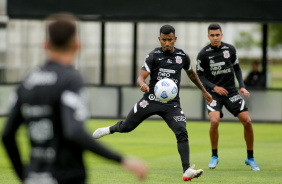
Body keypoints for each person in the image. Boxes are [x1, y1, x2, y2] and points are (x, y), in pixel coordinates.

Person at [1, 13, 147, 184]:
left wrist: (24, 175)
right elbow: (74, 131)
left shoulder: (28, 81)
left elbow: (7, 135)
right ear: (77, 45)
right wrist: (122, 160)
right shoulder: (71, 79)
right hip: (66, 176)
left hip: (35, 177)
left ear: (46, 45)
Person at [92, 24, 213, 181]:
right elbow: (140, 77)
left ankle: (186, 170)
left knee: (181, 131)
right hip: (150, 100)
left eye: (170, 40)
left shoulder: (182, 56)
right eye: (164, 40)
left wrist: (204, 91)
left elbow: (191, 74)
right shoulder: (153, 55)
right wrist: (142, 83)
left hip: (172, 104)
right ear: (159, 39)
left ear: (175, 39)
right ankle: (110, 129)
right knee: (127, 127)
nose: (167, 43)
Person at [196, 23, 260, 171]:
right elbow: (200, 75)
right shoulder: (203, 54)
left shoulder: (230, 49)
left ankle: (250, 158)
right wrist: (214, 87)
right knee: (214, 121)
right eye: (212, 35)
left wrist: (242, 86)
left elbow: (237, 68)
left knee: (248, 121)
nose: (215, 38)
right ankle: (214, 156)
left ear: (221, 35)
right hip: (214, 93)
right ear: (208, 36)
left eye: (217, 35)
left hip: (231, 92)